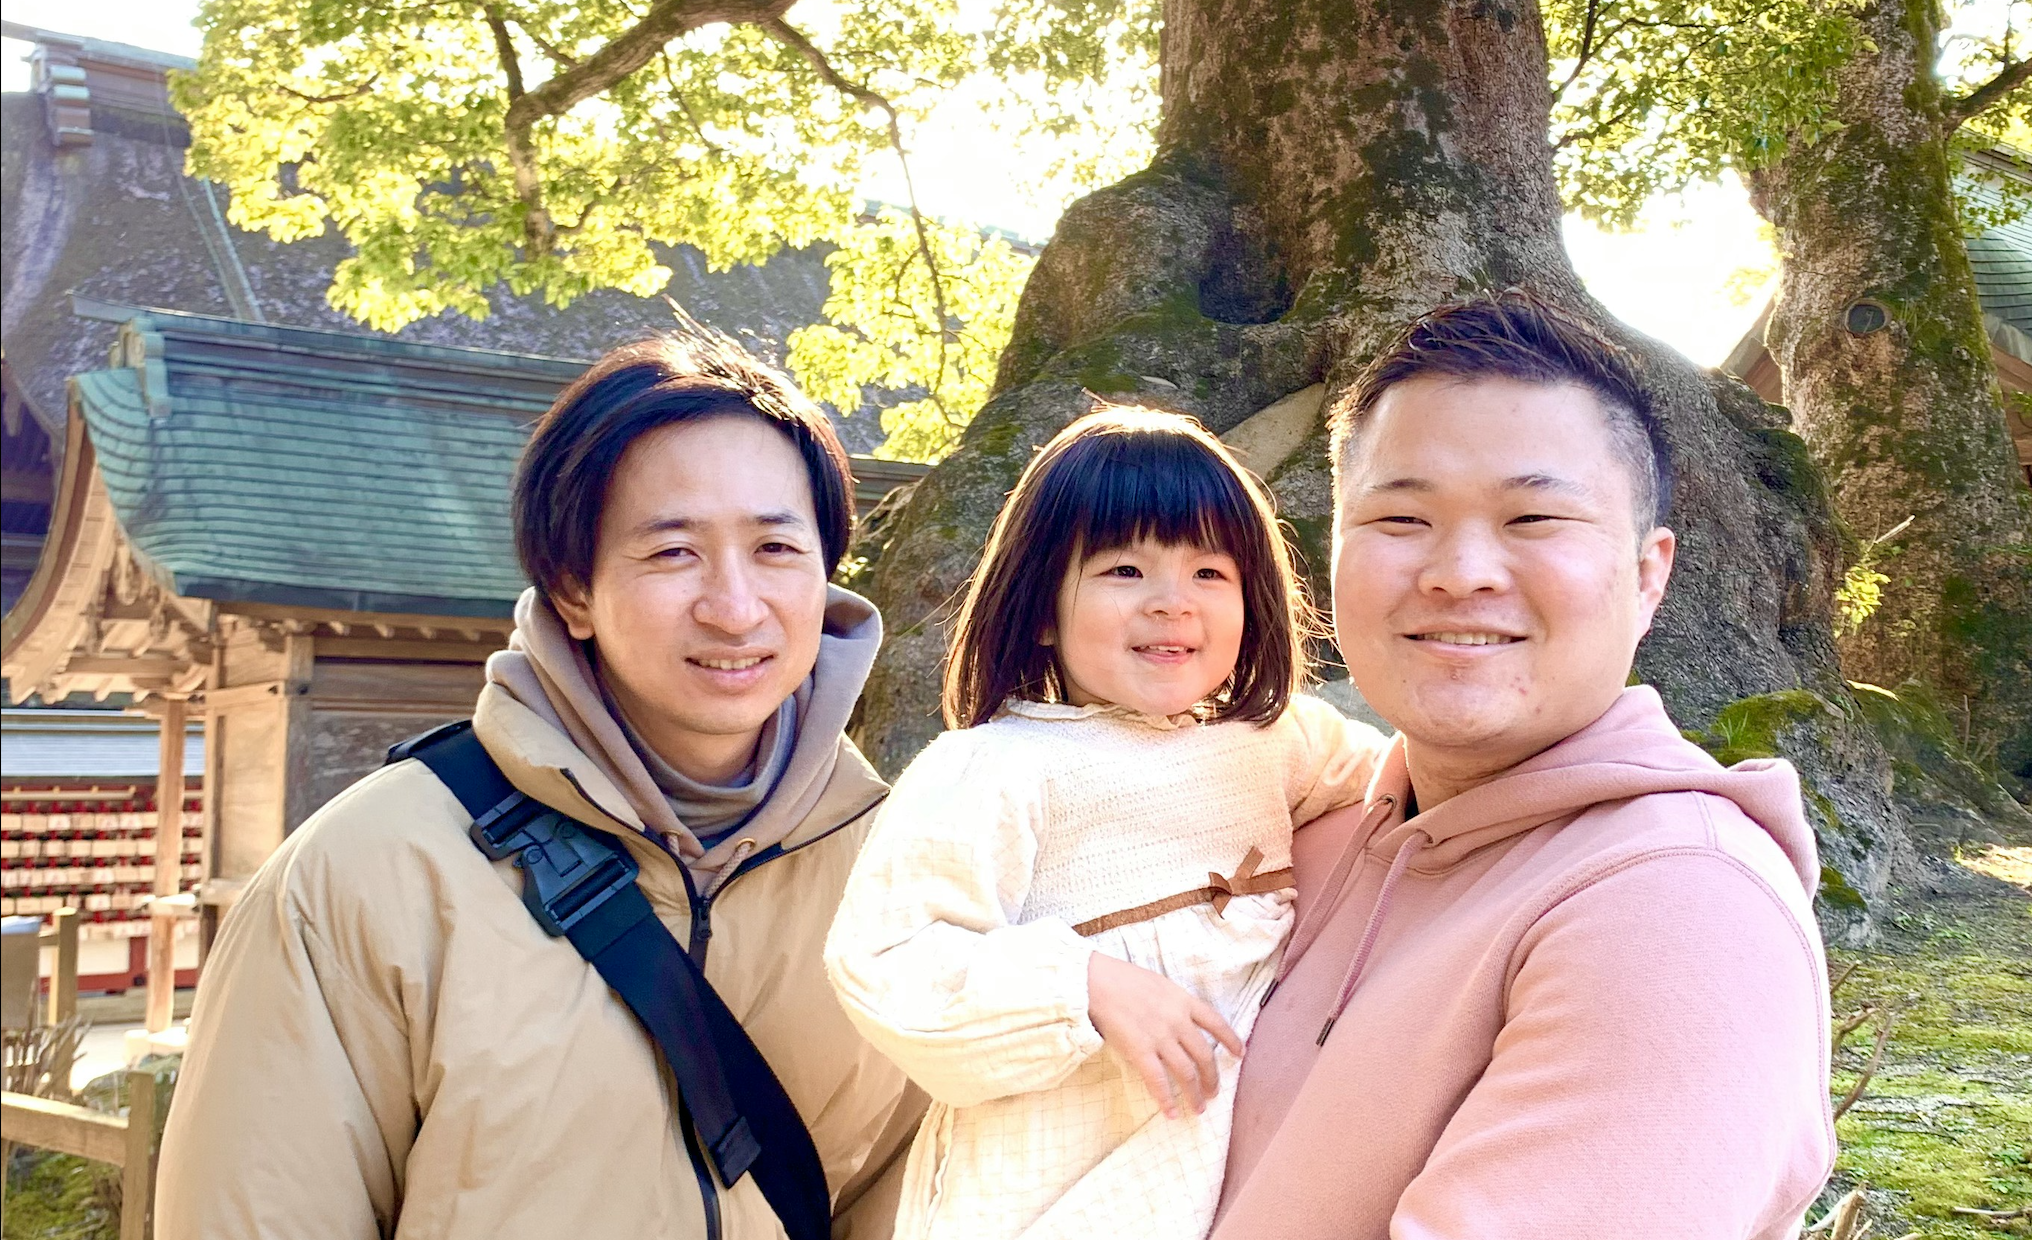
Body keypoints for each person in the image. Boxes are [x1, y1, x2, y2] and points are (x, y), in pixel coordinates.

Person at [156, 331, 923, 1240]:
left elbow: (924, 1195)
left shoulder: (903, 878)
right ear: (571, 591)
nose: (735, 607)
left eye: (776, 548)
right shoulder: (363, 880)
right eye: (673, 552)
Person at [1213, 295, 1837, 1239]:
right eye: (1401, 517)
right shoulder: (1307, 832)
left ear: (1648, 575)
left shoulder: (1678, 908)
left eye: (1534, 516)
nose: (1460, 571)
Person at [822, 409, 1383, 1240]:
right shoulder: (995, 767)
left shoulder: (1279, 740)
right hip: (1053, 1190)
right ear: (1042, 608)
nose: (1171, 603)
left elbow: (1415, 787)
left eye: (1209, 571)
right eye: (1124, 569)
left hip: (1239, 1178)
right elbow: (886, 958)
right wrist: (1083, 983)